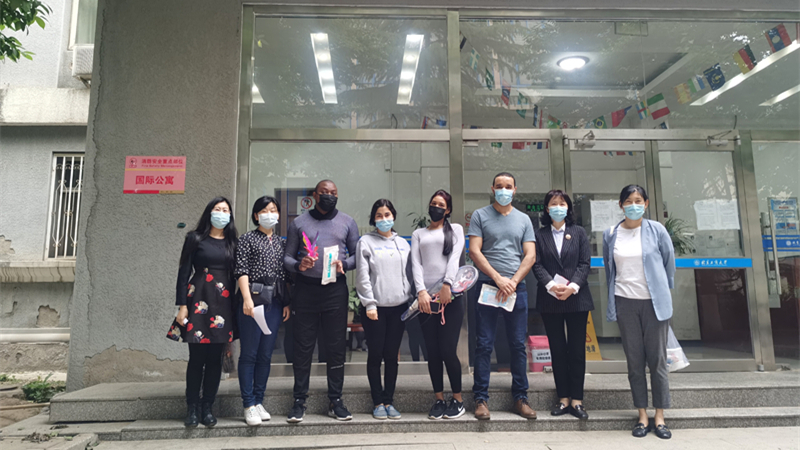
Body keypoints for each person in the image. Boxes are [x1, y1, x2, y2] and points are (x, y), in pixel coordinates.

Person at [603, 185, 675, 440]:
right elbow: (610, 269)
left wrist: (663, 292)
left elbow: (668, 264)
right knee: (634, 362)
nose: (633, 205)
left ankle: (660, 416)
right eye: (628, 201)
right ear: (621, 205)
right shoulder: (611, 234)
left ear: (646, 203)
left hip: (654, 304)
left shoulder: (657, 230)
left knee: (657, 361)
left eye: (638, 201)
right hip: (625, 302)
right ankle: (642, 415)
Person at [283, 180, 359, 422]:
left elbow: (358, 255)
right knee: (303, 346)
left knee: (335, 347)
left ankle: (336, 400)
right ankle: (299, 401)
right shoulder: (299, 223)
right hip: (305, 290)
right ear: (315, 195)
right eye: (324, 193)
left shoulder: (347, 222)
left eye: (333, 193)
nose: (329, 196)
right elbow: (286, 257)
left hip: (335, 290)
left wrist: (344, 264)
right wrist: (299, 265)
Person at [467, 172, 537, 421]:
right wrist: (498, 279)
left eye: (508, 186)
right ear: (492, 188)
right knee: (484, 343)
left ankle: (521, 398)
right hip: (487, 285)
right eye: (499, 186)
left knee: (518, 344)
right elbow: (474, 251)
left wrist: (513, 282)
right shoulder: (480, 215)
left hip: (516, 289)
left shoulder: (524, 219)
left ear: (515, 190)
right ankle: (481, 399)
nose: (504, 190)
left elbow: (530, 255)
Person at [171, 197, 238, 428]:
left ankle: (207, 406)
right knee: (197, 359)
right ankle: (192, 407)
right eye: (217, 209)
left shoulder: (233, 242)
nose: (222, 213)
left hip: (224, 303)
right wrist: (182, 306)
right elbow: (183, 273)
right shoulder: (195, 238)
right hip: (198, 299)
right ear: (209, 212)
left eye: (226, 210)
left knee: (215, 360)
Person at [532, 190, 593, 420]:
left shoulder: (579, 232)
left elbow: (585, 263)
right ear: (547, 208)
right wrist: (551, 285)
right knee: (557, 350)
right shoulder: (539, 235)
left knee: (576, 351)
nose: (558, 207)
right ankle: (563, 398)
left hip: (577, 298)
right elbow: (536, 264)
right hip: (551, 299)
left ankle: (577, 400)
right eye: (554, 204)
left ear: (568, 208)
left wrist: (573, 287)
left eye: (562, 203)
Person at [235, 196, 291, 426]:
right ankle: (248, 404)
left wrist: (286, 302)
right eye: (265, 210)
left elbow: (284, 275)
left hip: (274, 303)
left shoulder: (280, 242)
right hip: (253, 301)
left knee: (266, 354)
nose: (270, 214)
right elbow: (241, 270)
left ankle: (259, 400)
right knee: (249, 353)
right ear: (256, 215)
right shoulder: (247, 239)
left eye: (274, 210)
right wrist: (246, 299)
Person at [411, 190, 466, 420]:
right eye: (433, 203)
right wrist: (421, 292)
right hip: (426, 301)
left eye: (441, 205)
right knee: (432, 352)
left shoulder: (456, 230)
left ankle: (458, 400)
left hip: (450, 298)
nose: (436, 207)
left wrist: (447, 284)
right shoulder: (418, 234)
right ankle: (439, 399)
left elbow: (454, 258)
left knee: (447, 350)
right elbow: (416, 264)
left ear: (448, 210)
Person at [356, 199, 413, 420]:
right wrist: (369, 304)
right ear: (373, 219)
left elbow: (409, 273)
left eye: (387, 214)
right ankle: (377, 401)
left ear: (393, 216)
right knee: (376, 354)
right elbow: (362, 276)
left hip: (399, 308)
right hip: (375, 309)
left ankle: (389, 400)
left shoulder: (403, 244)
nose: (384, 219)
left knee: (391, 355)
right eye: (379, 215)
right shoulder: (366, 242)